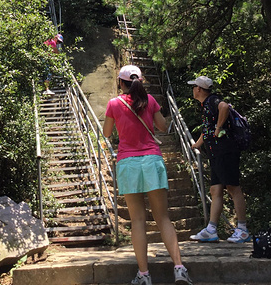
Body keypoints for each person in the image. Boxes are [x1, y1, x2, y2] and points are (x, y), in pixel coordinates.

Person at [104, 65, 193, 285]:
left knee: (137, 220)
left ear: (121, 83)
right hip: (152, 160)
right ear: (140, 81)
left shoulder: (114, 104)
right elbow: (162, 126)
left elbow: (106, 133)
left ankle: (144, 275)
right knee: (163, 218)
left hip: (128, 162)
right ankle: (179, 269)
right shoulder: (150, 101)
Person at [188, 76, 250, 244]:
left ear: (199, 89)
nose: (193, 89)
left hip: (226, 151)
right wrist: (198, 144)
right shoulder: (206, 105)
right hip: (215, 153)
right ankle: (211, 229)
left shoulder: (213, 101)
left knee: (233, 187)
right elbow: (207, 128)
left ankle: (243, 229)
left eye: (194, 87)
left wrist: (219, 127)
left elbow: (225, 107)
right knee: (215, 190)